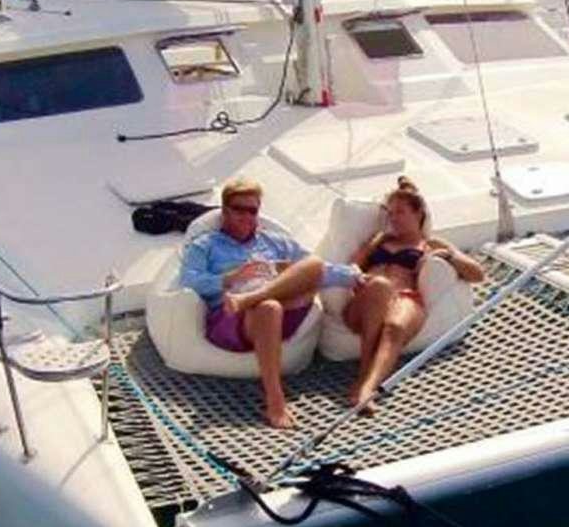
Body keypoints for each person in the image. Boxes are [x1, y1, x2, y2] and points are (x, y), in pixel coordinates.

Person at [176, 178, 355, 429]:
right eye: (239, 209)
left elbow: (316, 269)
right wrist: (231, 278)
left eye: (253, 210)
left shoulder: (275, 242)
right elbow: (188, 281)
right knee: (268, 307)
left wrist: (355, 276)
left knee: (311, 265)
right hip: (233, 320)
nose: (247, 216)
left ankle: (252, 297)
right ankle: (275, 400)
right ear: (225, 210)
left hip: (280, 310)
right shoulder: (206, 245)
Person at [342, 176, 484, 414]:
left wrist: (448, 256)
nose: (393, 219)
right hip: (367, 301)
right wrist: (372, 245)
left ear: (419, 214)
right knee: (378, 286)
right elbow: (351, 266)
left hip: (406, 297)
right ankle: (363, 373)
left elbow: (478, 274)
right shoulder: (379, 241)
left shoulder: (431, 243)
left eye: (400, 212)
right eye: (390, 214)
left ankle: (368, 388)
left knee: (396, 327)